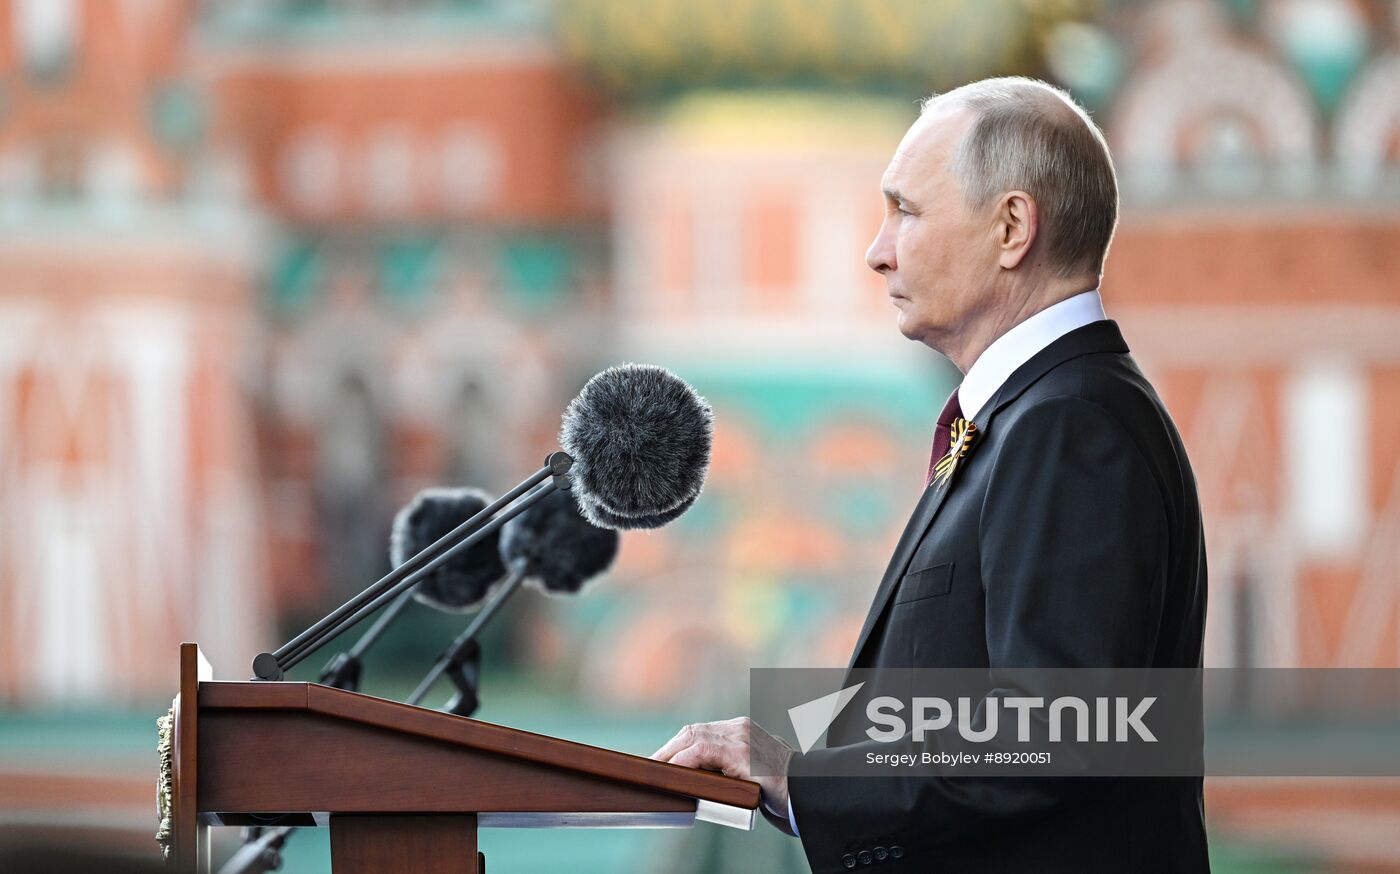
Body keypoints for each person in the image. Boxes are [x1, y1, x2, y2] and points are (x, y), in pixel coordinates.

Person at [651, 77, 1210, 872]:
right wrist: (784, 754)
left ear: (1012, 227)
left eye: (905, 210)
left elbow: (1055, 731)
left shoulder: (1068, 427)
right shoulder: (1034, 417)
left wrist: (801, 776)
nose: (878, 250)